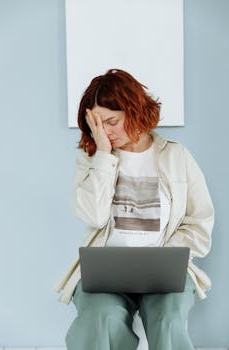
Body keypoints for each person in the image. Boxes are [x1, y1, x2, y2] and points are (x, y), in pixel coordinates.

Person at [53, 68, 215, 350]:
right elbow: (93, 215)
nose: (106, 131)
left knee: (168, 317)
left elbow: (199, 221)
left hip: (164, 272)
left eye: (111, 121)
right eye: (97, 125)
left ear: (133, 109)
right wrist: (103, 154)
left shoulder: (177, 156)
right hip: (106, 275)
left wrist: (166, 258)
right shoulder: (91, 160)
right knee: (101, 316)